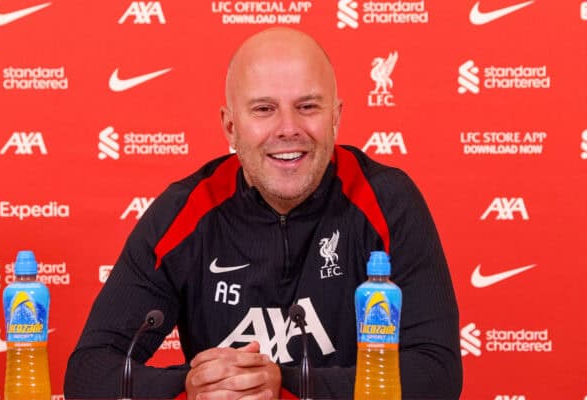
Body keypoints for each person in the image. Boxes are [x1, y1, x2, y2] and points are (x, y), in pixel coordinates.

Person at [64, 27, 462, 399]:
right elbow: (88, 371)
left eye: (307, 106)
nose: (288, 128)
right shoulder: (185, 210)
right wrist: (193, 383)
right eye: (263, 109)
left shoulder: (389, 200)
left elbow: (436, 371)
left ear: (336, 116)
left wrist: (283, 383)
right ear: (230, 126)